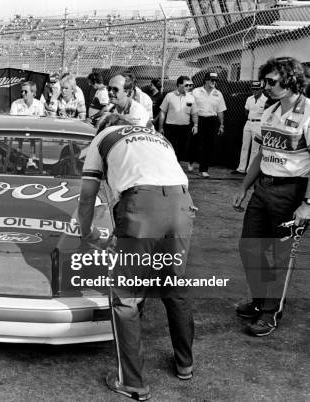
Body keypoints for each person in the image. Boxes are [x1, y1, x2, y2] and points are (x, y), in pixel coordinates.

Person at [78, 115, 195, 400]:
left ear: (103, 126)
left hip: (142, 205)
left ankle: (132, 382)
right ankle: (185, 364)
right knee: (174, 286)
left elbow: (86, 198)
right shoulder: (157, 137)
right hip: (182, 203)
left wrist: (88, 233)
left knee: (125, 296)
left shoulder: (102, 138)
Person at [232, 56, 310, 337]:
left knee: (280, 256)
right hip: (263, 187)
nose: (265, 85)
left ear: (290, 82)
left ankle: (270, 312)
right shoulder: (269, 109)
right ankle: (260, 300)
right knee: (250, 247)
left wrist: (307, 204)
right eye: (265, 80)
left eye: (271, 81)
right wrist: (243, 187)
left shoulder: (309, 112)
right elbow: (262, 153)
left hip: (292, 191)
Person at [188, 72, 226, 177]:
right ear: (206, 80)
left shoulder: (218, 94)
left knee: (208, 145)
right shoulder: (196, 91)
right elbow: (189, 105)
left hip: (211, 121)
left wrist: (221, 125)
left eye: (215, 80)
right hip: (198, 119)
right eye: (211, 80)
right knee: (195, 143)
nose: (213, 82)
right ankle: (191, 161)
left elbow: (220, 111)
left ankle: (203, 170)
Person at [233, 81, 268, 175]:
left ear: (261, 89)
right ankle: (241, 168)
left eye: (257, 89)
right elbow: (246, 111)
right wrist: (250, 119)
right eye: (253, 89)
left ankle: (250, 170)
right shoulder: (249, 99)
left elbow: (267, 115)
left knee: (255, 149)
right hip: (248, 122)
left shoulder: (265, 100)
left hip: (258, 124)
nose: (255, 91)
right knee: (244, 146)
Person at [158, 75, 197, 161]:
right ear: (179, 85)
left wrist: (196, 125)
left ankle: (177, 168)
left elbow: (194, 113)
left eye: (190, 85)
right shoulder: (169, 96)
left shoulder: (191, 98)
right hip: (171, 127)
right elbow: (162, 112)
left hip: (184, 128)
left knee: (181, 149)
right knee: (170, 149)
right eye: (186, 85)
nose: (189, 87)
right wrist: (160, 128)